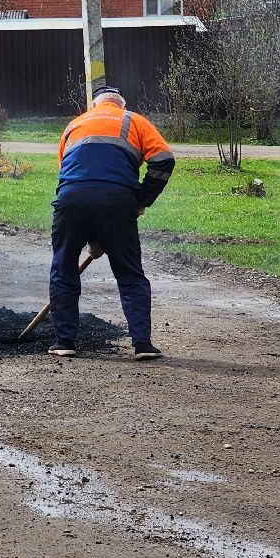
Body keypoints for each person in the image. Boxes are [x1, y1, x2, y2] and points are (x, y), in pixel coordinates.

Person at [48, 85, 175, 361]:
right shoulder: (134, 121)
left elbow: (72, 176)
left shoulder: (75, 124)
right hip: (117, 200)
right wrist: (142, 198)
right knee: (129, 274)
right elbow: (164, 160)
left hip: (70, 200)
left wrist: (92, 234)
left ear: (95, 106)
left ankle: (64, 341)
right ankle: (142, 344)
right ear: (120, 104)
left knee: (63, 268)